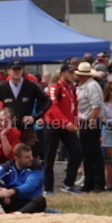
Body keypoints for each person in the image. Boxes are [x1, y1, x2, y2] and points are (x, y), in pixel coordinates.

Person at [0, 60, 51, 150]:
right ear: (8, 71)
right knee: (9, 153)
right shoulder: (3, 87)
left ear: (23, 70)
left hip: (26, 128)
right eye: (14, 69)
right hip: (9, 128)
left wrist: (35, 117)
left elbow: (47, 101)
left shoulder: (31, 85)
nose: (17, 72)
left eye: (19, 69)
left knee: (28, 154)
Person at [41, 62, 82, 194]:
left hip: (67, 126)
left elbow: (74, 107)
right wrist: (66, 122)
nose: (72, 75)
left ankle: (68, 184)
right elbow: (53, 107)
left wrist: (74, 122)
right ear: (62, 73)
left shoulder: (71, 89)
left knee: (77, 153)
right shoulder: (55, 87)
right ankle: (48, 188)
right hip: (53, 125)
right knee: (49, 157)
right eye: (70, 72)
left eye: (73, 72)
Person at [0, 142, 46, 214]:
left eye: (31, 155)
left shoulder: (36, 167)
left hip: (28, 201)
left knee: (41, 200)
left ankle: (18, 213)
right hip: (10, 200)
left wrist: (11, 192)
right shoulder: (7, 166)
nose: (31, 159)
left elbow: (30, 185)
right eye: (27, 157)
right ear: (17, 158)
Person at [74, 61, 105, 193]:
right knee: (88, 155)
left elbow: (96, 107)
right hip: (86, 122)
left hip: (90, 122)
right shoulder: (86, 85)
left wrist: (91, 124)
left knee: (93, 155)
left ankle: (97, 184)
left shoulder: (91, 86)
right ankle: (89, 183)